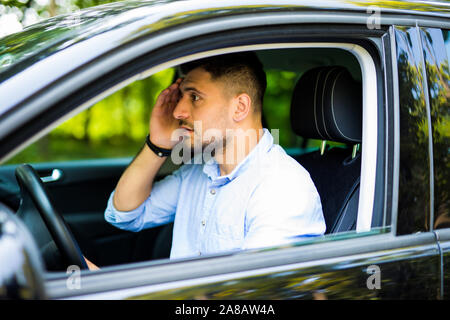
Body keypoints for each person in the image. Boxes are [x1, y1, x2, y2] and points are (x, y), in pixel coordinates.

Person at [103, 52, 325, 260]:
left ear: (239, 107)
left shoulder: (282, 188)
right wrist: (157, 144)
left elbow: (251, 296)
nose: (178, 111)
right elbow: (124, 215)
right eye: (181, 96)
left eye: (195, 97)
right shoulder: (199, 172)